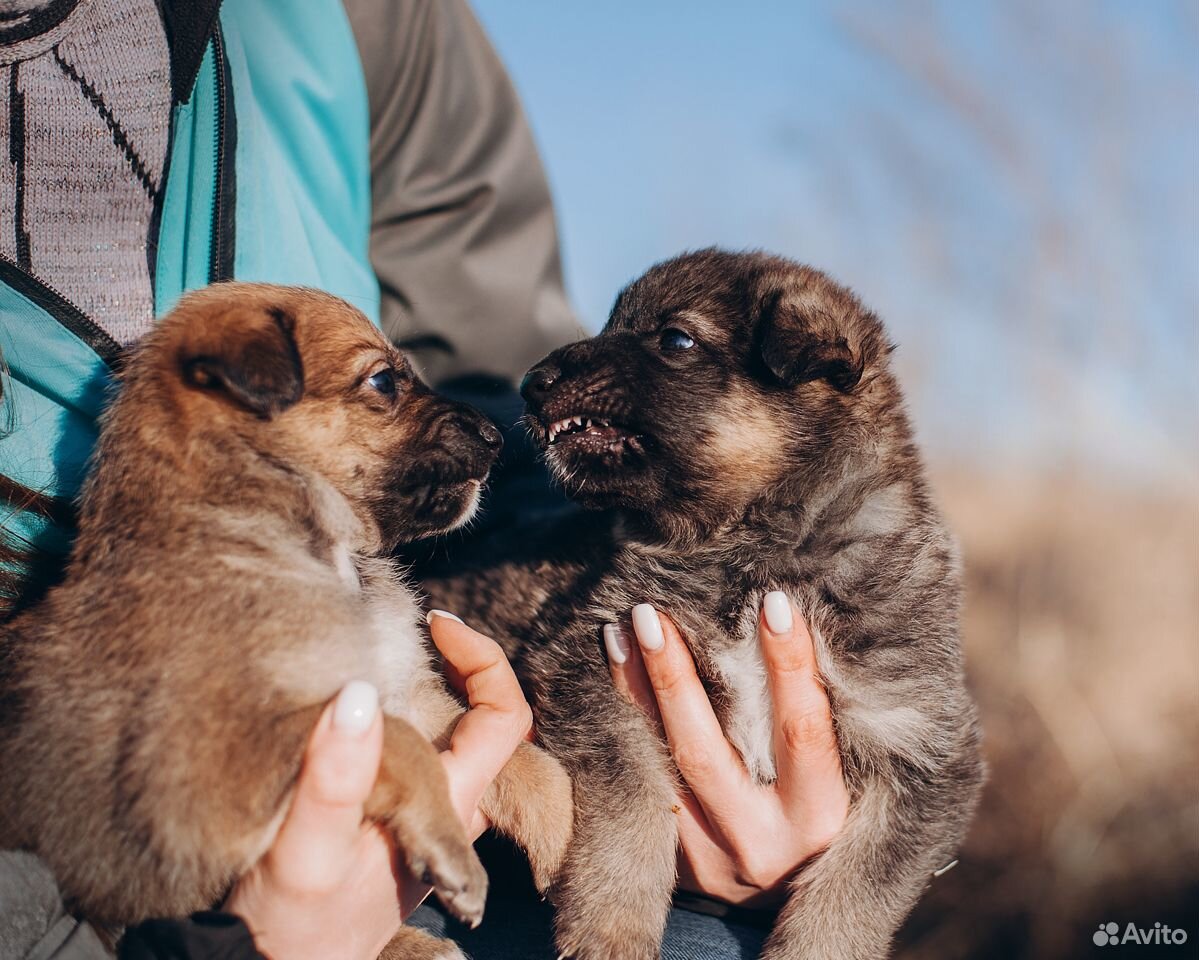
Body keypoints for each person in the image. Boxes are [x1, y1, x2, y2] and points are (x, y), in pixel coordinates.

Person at [0, 1, 849, 957]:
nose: (459, 428)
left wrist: (711, 751)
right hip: (103, 913)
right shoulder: (172, 586)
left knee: (697, 937)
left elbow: (520, 421)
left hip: (411, 801)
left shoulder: (348, 21)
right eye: (381, 386)